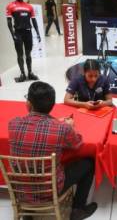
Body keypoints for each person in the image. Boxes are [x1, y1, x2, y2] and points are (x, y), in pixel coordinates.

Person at [8, 81, 98, 220]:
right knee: (89, 163)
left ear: (29, 103)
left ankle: (28, 215)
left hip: (21, 189)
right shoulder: (62, 129)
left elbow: (35, 128)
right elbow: (78, 144)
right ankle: (77, 209)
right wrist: (70, 126)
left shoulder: (13, 124)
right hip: (50, 190)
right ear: (52, 106)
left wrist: (58, 123)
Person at [6, 0, 41, 82]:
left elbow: (34, 21)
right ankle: (22, 73)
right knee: (20, 54)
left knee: (28, 53)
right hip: (18, 33)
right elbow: (9, 22)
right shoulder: (11, 6)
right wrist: (13, 34)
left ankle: (30, 72)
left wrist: (37, 33)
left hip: (28, 32)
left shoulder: (29, 7)